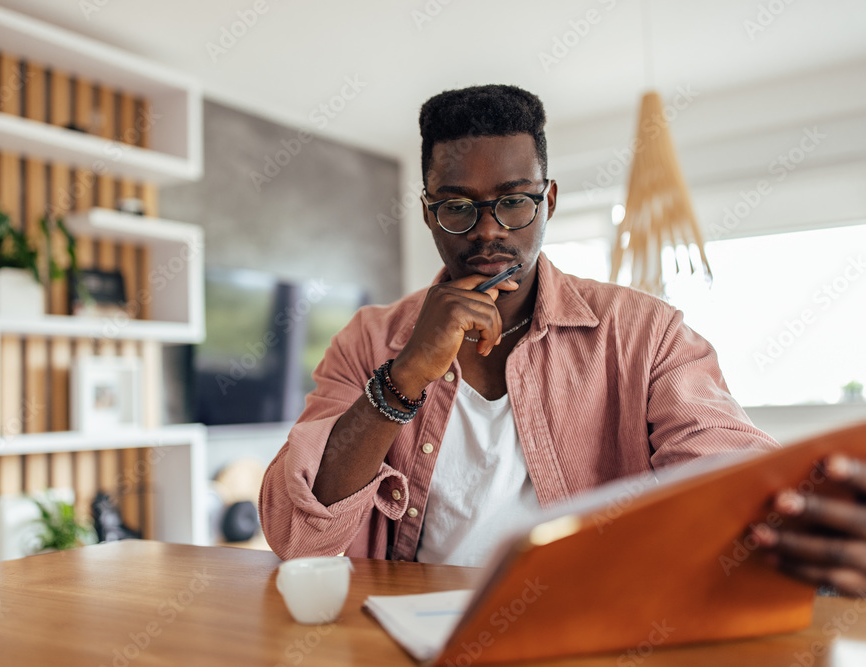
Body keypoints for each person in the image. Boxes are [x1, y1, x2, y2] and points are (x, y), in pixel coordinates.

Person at [259, 84, 866, 595]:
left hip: (589, 620)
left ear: (548, 200)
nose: (489, 231)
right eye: (457, 208)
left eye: (515, 201)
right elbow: (298, 537)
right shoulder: (369, 339)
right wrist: (406, 373)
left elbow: (727, 478)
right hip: (409, 628)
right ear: (427, 212)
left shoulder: (645, 333)